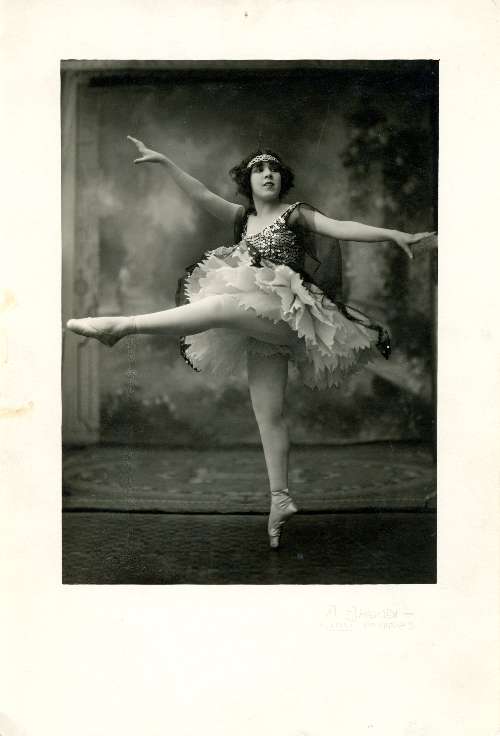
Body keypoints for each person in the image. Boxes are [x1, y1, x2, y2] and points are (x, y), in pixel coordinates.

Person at [67, 137, 434, 549]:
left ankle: (121, 327)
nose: (268, 174)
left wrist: (394, 234)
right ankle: (280, 500)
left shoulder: (295, 213)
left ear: (282, 179)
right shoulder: (243, 219)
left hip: (290, 315)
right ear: (248, 180)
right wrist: (166, 162)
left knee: (219, 305)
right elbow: (201, 194)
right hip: (262, 327)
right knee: (268, 414)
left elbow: (342, 227)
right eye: (259, 169)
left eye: (274, 169)